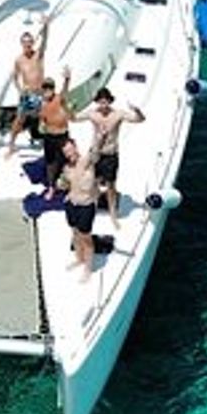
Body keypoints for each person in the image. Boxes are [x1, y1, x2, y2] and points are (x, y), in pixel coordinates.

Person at [85, 88, 145, 227]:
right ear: (97, 102)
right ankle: (92, 207)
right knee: (93, 182)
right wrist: (69, 108)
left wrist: (137, 110)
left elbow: (140, 120)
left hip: (110, 155)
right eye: (100, 102)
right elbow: (74, 118)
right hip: (95, 153)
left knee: (111, 185)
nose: (103, 105)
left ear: (110, 101)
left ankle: (112, 213)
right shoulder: (92, 114)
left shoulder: (118, 114)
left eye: (105, 102)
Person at [5, 15, 54, 157]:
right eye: (25, 43)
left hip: (41, 93)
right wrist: (20, 89)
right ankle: (11, 145)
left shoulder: (38, 55)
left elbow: (45, 41)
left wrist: (46, 26)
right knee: (19, 120)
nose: (28, 45)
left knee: (47, 118)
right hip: (27, 94)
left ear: (33, 43)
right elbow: (14, 77)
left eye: (30, 42)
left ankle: (49, 143)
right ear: (21, 44)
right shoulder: (19, 60)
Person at [58, 139, 100, 272]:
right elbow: (65, 184)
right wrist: (61, 185)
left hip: (86, 206)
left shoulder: (86, 162)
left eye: (70, 149)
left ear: (75, 147)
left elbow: (94, 150)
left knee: (86, 238)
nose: (69, 154)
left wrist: (100, 136)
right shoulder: (66, 167)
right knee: (75, 234)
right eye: (66, 152)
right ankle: (79, 259)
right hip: (71, 204)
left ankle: (88, 269)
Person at [37, 67, 73, 198]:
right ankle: (51, 187)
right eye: (45, 88)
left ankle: (68, 185)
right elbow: (42, 120)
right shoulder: (42, 104)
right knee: (50, 163)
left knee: (66, 162)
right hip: (49, 137)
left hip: (62, 136)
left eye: (50, 88)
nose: (48, 91)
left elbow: (65, 92)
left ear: (53, 89)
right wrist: (41, 124)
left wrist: (67, 79)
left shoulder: (59, 99)